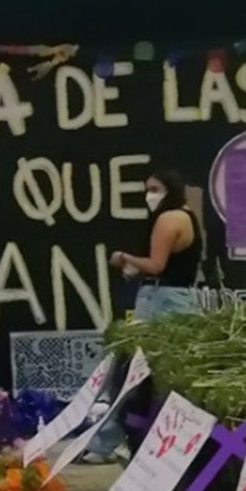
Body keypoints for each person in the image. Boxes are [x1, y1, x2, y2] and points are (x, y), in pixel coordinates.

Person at [83, 168, 204, 464]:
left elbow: (157, 264)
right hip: (183, 297)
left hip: (161, 299)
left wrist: (124, 257)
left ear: (169, 189)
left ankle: (108, 439)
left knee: (126, 368)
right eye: (146, 189)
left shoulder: (167, 218)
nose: (149, 196)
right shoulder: (188, 216)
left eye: (154, 189)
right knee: (168, 374)